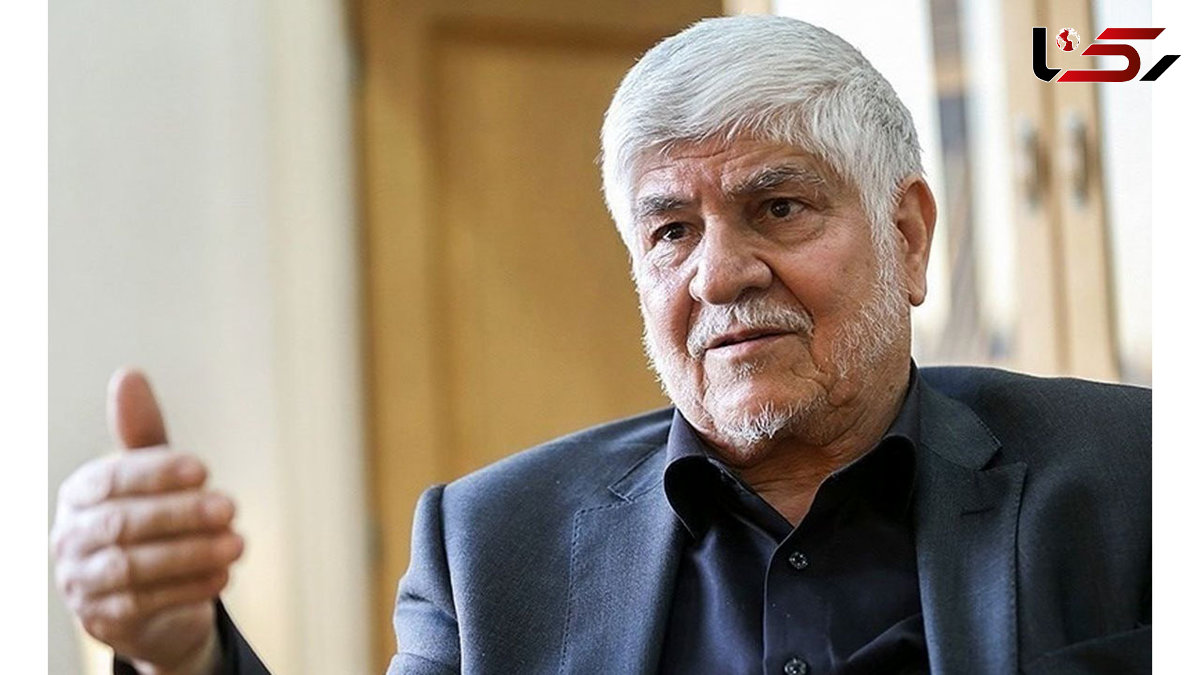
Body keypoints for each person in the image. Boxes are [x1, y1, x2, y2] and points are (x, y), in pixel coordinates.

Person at [52, 14, 1150, 675]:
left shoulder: (1138, 474)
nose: (718, 274)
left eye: (777, 208)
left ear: (907, 236)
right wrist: (183, 656)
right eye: (671, 232)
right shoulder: (491, 550)